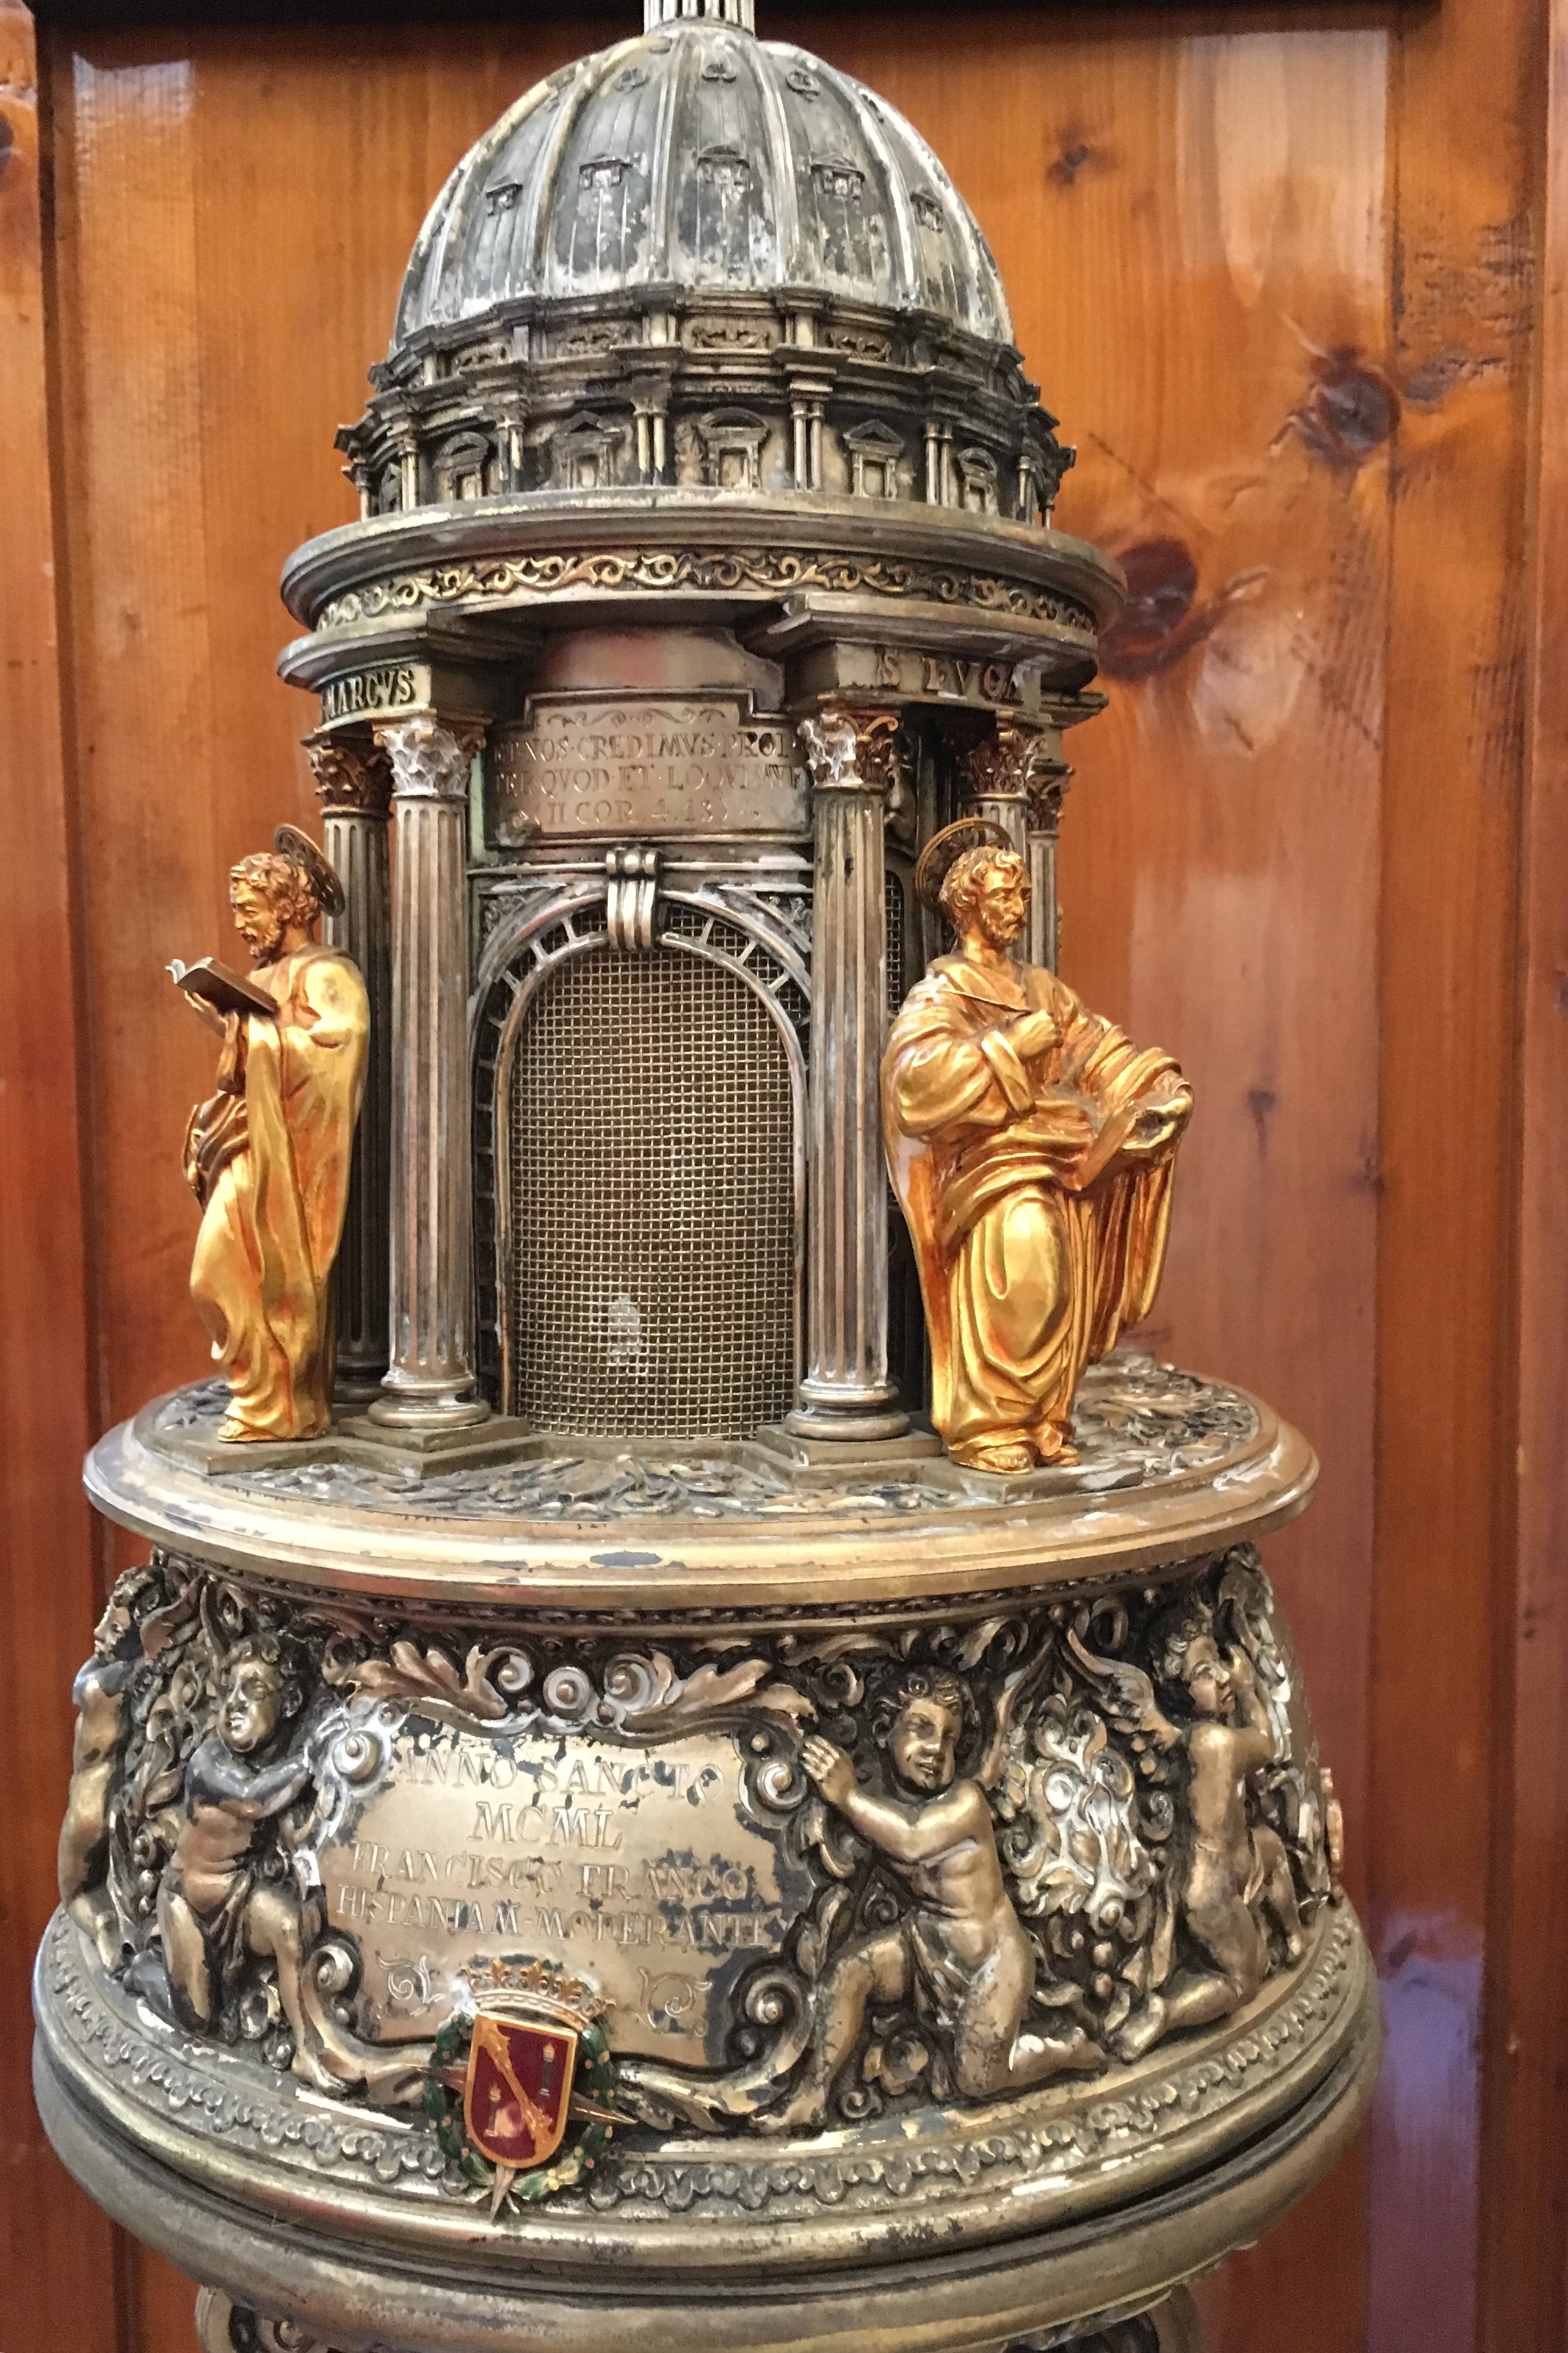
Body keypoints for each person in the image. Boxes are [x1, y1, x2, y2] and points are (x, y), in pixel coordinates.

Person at [882, 831, 1191, 1472]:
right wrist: (1007, 1047)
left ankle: (1044, 1417)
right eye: (1003, 896)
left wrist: (1157, 1089)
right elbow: (913, 1083)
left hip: (1060, 1160)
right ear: (968, 906)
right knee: (1033, 1262)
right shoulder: (944, 993)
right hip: (990, 1172)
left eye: (1023, 895)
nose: (1018, 908)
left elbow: (1098, 1053)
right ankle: (992, 1420)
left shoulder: (1042, 988)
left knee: (1062, 1280)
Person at [763, 1669, 1102, 2133]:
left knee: (978, 2079)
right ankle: (813, 2095)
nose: (936, 1749)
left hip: (992, 1960)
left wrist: (847, 1795)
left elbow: (912, 1842)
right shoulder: (888, 1800)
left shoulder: (965, 1802)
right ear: (884, 1732)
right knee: (850, 1972)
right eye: (921, 1729)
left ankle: (1060, 2050)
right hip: (927, 1942)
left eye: (949, 1738)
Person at [181, 833, 368, 1441]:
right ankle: (262, 1397)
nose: (240, 923)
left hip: (285, 1157)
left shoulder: (329, 973)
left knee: (218, 1273)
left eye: (248, 909)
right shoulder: (267, 974)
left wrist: (243, 1033)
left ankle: (279, 1403)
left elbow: (336, 1052)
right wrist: (229, 1024)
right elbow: (254, 1054)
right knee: (214, 1277)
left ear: (286, 908)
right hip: (248, 1142)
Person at [1070, 1622, 1306, 2061]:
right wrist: (1248, 1688)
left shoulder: (1187, 1738)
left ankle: (1293, 1936)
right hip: (1211, 1890)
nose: (1221, 1676)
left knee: (1271, 1848)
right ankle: (1168, 2012)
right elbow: (1266, 1745)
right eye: (1203, 1672)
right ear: (1180, 1693)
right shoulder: (1215, 1742)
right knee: (1244, 1981)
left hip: (1229, 1865)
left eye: (1216, 1660)